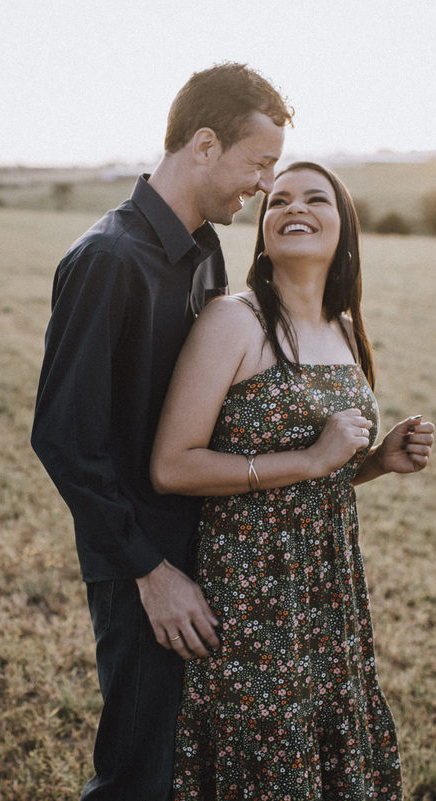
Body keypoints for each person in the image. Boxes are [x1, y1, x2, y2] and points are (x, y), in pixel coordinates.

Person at [30, 63, 293, 801]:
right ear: (204, 144)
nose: (266, 185)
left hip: (202, 546)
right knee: (137, 778)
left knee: (192, 768)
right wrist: (151, 572)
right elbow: (63, 437)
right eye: (260, 164)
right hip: (141, 564)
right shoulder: (108, 259)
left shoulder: (204, 248)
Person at [150, 162, 435, 799]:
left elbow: (320, 478)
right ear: (263, 229)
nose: (291, 207)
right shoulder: (234, 322)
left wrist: (377, 462)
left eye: (314, 198)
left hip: (330, 590)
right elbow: (172, 466)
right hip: (251, 592)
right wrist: (309, 460)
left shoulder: (346, 331)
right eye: (277, 200)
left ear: (344, 228)